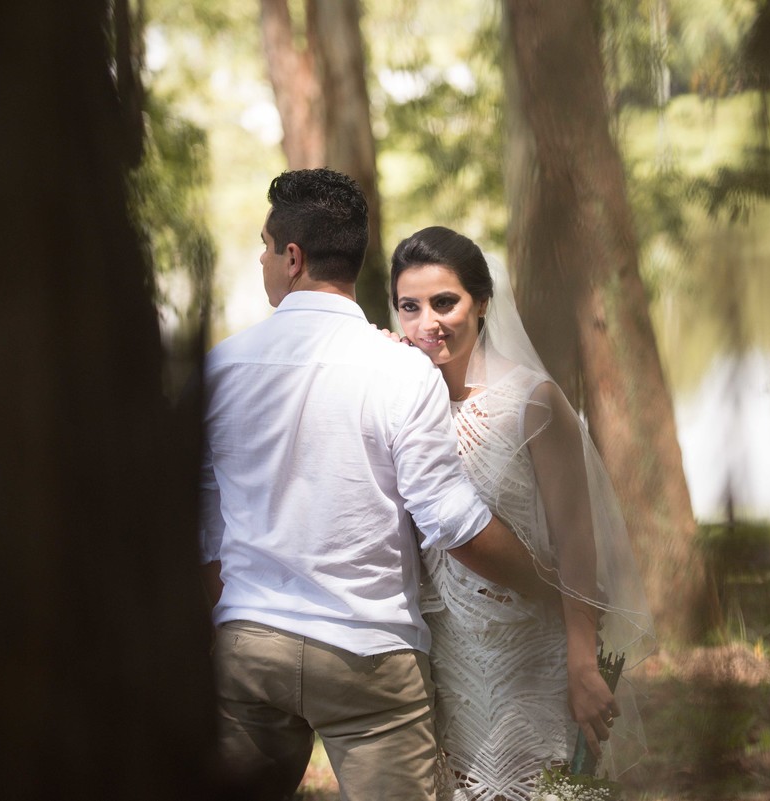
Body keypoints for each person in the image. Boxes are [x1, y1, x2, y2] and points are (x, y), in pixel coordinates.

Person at [199, 169, 552, 801]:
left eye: (265, 246)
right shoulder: (400, 370)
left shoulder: (221, 368)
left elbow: (203, 534)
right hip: (368, 654)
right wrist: (546, 586)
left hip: (249, 647)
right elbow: (452, 522)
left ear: (293, 258)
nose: (262, 260)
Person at [389, 226, 656, 801]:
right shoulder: (397, 401)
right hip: (442, 654)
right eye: (409, 307)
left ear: (482, 303)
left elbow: (576, 539)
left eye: (445, 302)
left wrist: (582, 660)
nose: (427, 323)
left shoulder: (533, 401)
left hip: (528, 649)